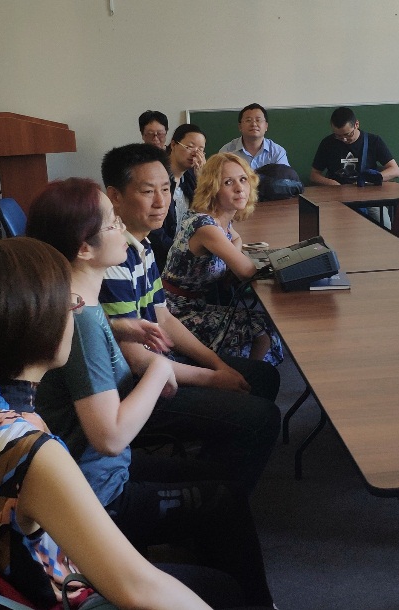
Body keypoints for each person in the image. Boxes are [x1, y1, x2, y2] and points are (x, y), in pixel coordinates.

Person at [0, 237, 252, 609]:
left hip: (5, 573)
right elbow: (139, 587)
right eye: (68, 303)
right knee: (223, 590)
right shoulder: (32, 453)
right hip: (62, 592)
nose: (76, 311)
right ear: (31, 327)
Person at [27, 179, 274, 606]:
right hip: (100, 495)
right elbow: (108, 437)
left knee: (221, 486)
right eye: (112, 223)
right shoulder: (81, 320)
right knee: (226, 502)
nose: (122, 228)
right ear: (84, 248)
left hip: (99, 474)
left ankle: (207, 569)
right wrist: (159, 370)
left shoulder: (75, 301)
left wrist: (119, 327)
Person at [97, 143, 281, 494]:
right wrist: (213, 378)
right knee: (262, 417)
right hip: (134, 389)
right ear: (115, 196)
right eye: (147, 191)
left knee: (264, 376)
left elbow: (164, 318)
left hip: (160, 364)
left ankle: (212, 473)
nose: (161, 202)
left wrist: (216, 365)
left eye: (166, 189)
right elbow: (136, 360)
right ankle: (218, 499)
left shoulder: (142, 247)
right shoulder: (115, 259)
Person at [163, 152, 283, 365]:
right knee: (262, 328)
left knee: (261, 322)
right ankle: (248, 377)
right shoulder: (205, 226)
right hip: (177, 313)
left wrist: (230, 258)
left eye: (243, 179)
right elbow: (247, 272)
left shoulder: (220, 219)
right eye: (228, 182)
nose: (239, 188)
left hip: (194, 303)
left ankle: (243, 370)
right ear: (213, 188)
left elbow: (235, 238)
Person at [151, 123, 208, 269]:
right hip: (164, 259)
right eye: (190, 147)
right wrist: (180, 254)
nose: (195, 154)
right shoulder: (158, 179)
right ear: (173, 145)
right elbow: (155, 232)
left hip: (189, 253)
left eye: (200, 150)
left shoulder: (191, 177)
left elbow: (205, 215)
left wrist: (202, 181)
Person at [309, 106, 399, 186]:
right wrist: (331, 183)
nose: (344, 139)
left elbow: (395, 170)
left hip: (367, 192)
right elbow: (314, 175)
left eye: (348, 134)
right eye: (338, 136)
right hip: (337, 193)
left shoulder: (374, 141)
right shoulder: (327, 143)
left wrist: (372, 179)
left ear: (356, 124)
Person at [218, 103, 288, 169]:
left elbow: (284, 177)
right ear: (240, 126)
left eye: (258, 120)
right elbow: (218, 176)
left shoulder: (277, 152)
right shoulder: (227, 152)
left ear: (266, 126)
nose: (254, 124)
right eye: (248, 120)